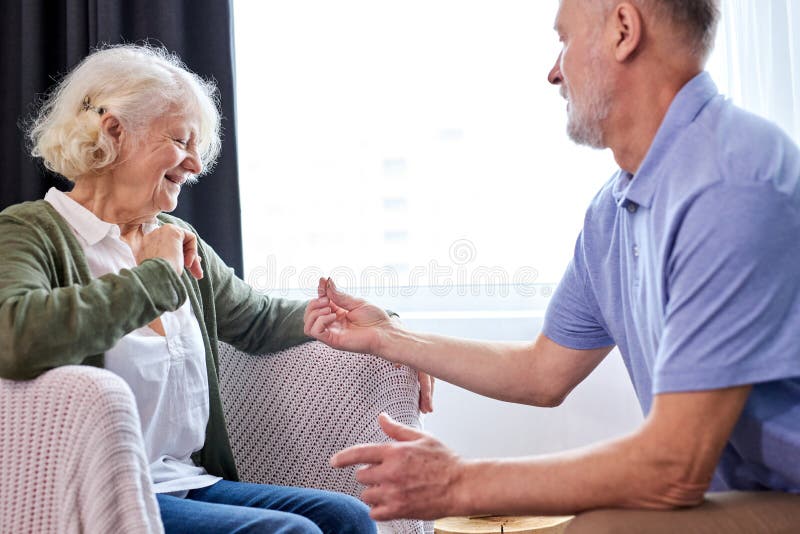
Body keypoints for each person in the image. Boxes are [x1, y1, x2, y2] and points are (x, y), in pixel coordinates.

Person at [302, 0, 800, 530]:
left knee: (601, 528)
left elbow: (673, 465)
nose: (554, 71)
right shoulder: (615, 210)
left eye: (563, 39)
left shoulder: (731, 183)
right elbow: (544, 372)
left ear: (624, 31)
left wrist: (457, 482)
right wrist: (389, 339)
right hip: (737, 495)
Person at [0, 44, 392, 534]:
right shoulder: (30, 230)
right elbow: (14, 337)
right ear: (113, 131)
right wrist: (157, 277)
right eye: (181, 142)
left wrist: (369, 326)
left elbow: (258, 319)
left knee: (345, 517)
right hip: (95, 493)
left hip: (183, 481)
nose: (196, 165)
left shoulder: (178, 239)